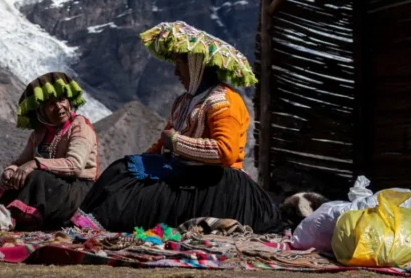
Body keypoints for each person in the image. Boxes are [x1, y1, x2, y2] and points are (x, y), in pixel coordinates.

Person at [72, 21, 281, 234]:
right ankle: (87, 223)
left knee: (142, 192)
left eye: (179, 64)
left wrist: (176, 142)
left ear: (195, 64)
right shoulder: (184, 102)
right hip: (185, 170)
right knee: (123, 170)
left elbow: (224, 152)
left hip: (217, 181)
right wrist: (142, 164)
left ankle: (102, 225)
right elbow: (164, 141)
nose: (175, 73)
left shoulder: (225, 101)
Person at [0, 72, 99, 230]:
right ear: (41, 111)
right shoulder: (39, 133)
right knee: (16, 179)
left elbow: (75, 165)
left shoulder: (80, 126)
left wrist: (35, 163)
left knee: (36, 175)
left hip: (78, 193)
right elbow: (21, 163)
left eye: (62, 100)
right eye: (50, 104)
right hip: (50, 189)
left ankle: (20, 218)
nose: (59, 107)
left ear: (69, 101)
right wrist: (11, 171)